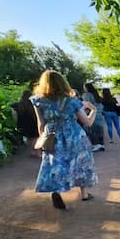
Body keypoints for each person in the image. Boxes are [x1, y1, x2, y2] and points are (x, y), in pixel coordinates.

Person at [30, 70, 98, 209]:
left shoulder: (39, 101)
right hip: (73, 135)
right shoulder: (72, 101)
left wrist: (44, 138)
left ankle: (56, 191)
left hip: (52, 134)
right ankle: (84, 194)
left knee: (55, 164)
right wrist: (93, 110)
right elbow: (87, 122)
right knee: (80, 162)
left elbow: (41, 124)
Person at [10, 89, 40, 157]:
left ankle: (32, 150)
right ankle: (36, 151)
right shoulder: (34, 105)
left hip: (22, 125)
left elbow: (12, 111)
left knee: (29, 138)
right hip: (34, 125)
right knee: (35, 138)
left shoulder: (17, 105)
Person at [81, 82, 105, 151]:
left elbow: (86, 104)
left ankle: (95, 145)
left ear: (86, 88)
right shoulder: (96, 94)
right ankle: (101, 145)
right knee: (99, 130)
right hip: (99, 114)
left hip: (91, 114)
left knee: (90, 130)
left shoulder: (86, 95)